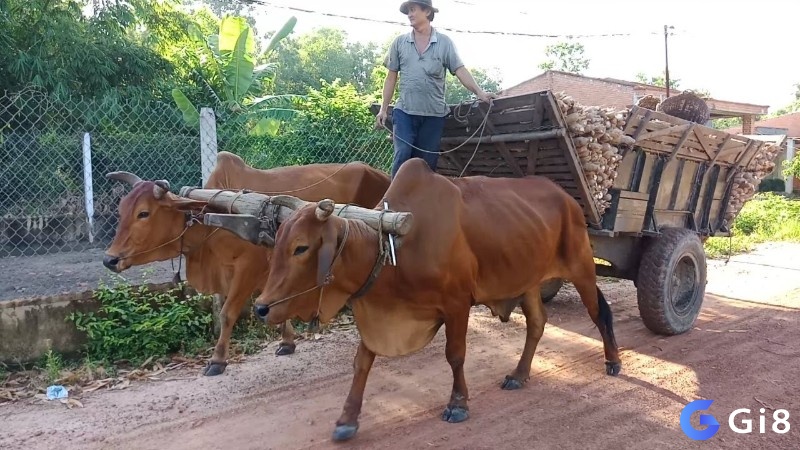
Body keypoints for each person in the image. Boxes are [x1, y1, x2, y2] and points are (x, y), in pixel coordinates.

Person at [376, 0, 496, 178]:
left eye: (413, 10)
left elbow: (460, 70)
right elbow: (391, 76)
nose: (409, 14)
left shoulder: (444, 43)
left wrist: (480, 92)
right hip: (405, 113)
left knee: (426, 163)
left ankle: (422, 204)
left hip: (433, 115)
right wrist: (383, 109)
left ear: (427, 12)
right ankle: (391, 204)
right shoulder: (400, 43)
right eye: (408, 11)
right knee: (403, 155)